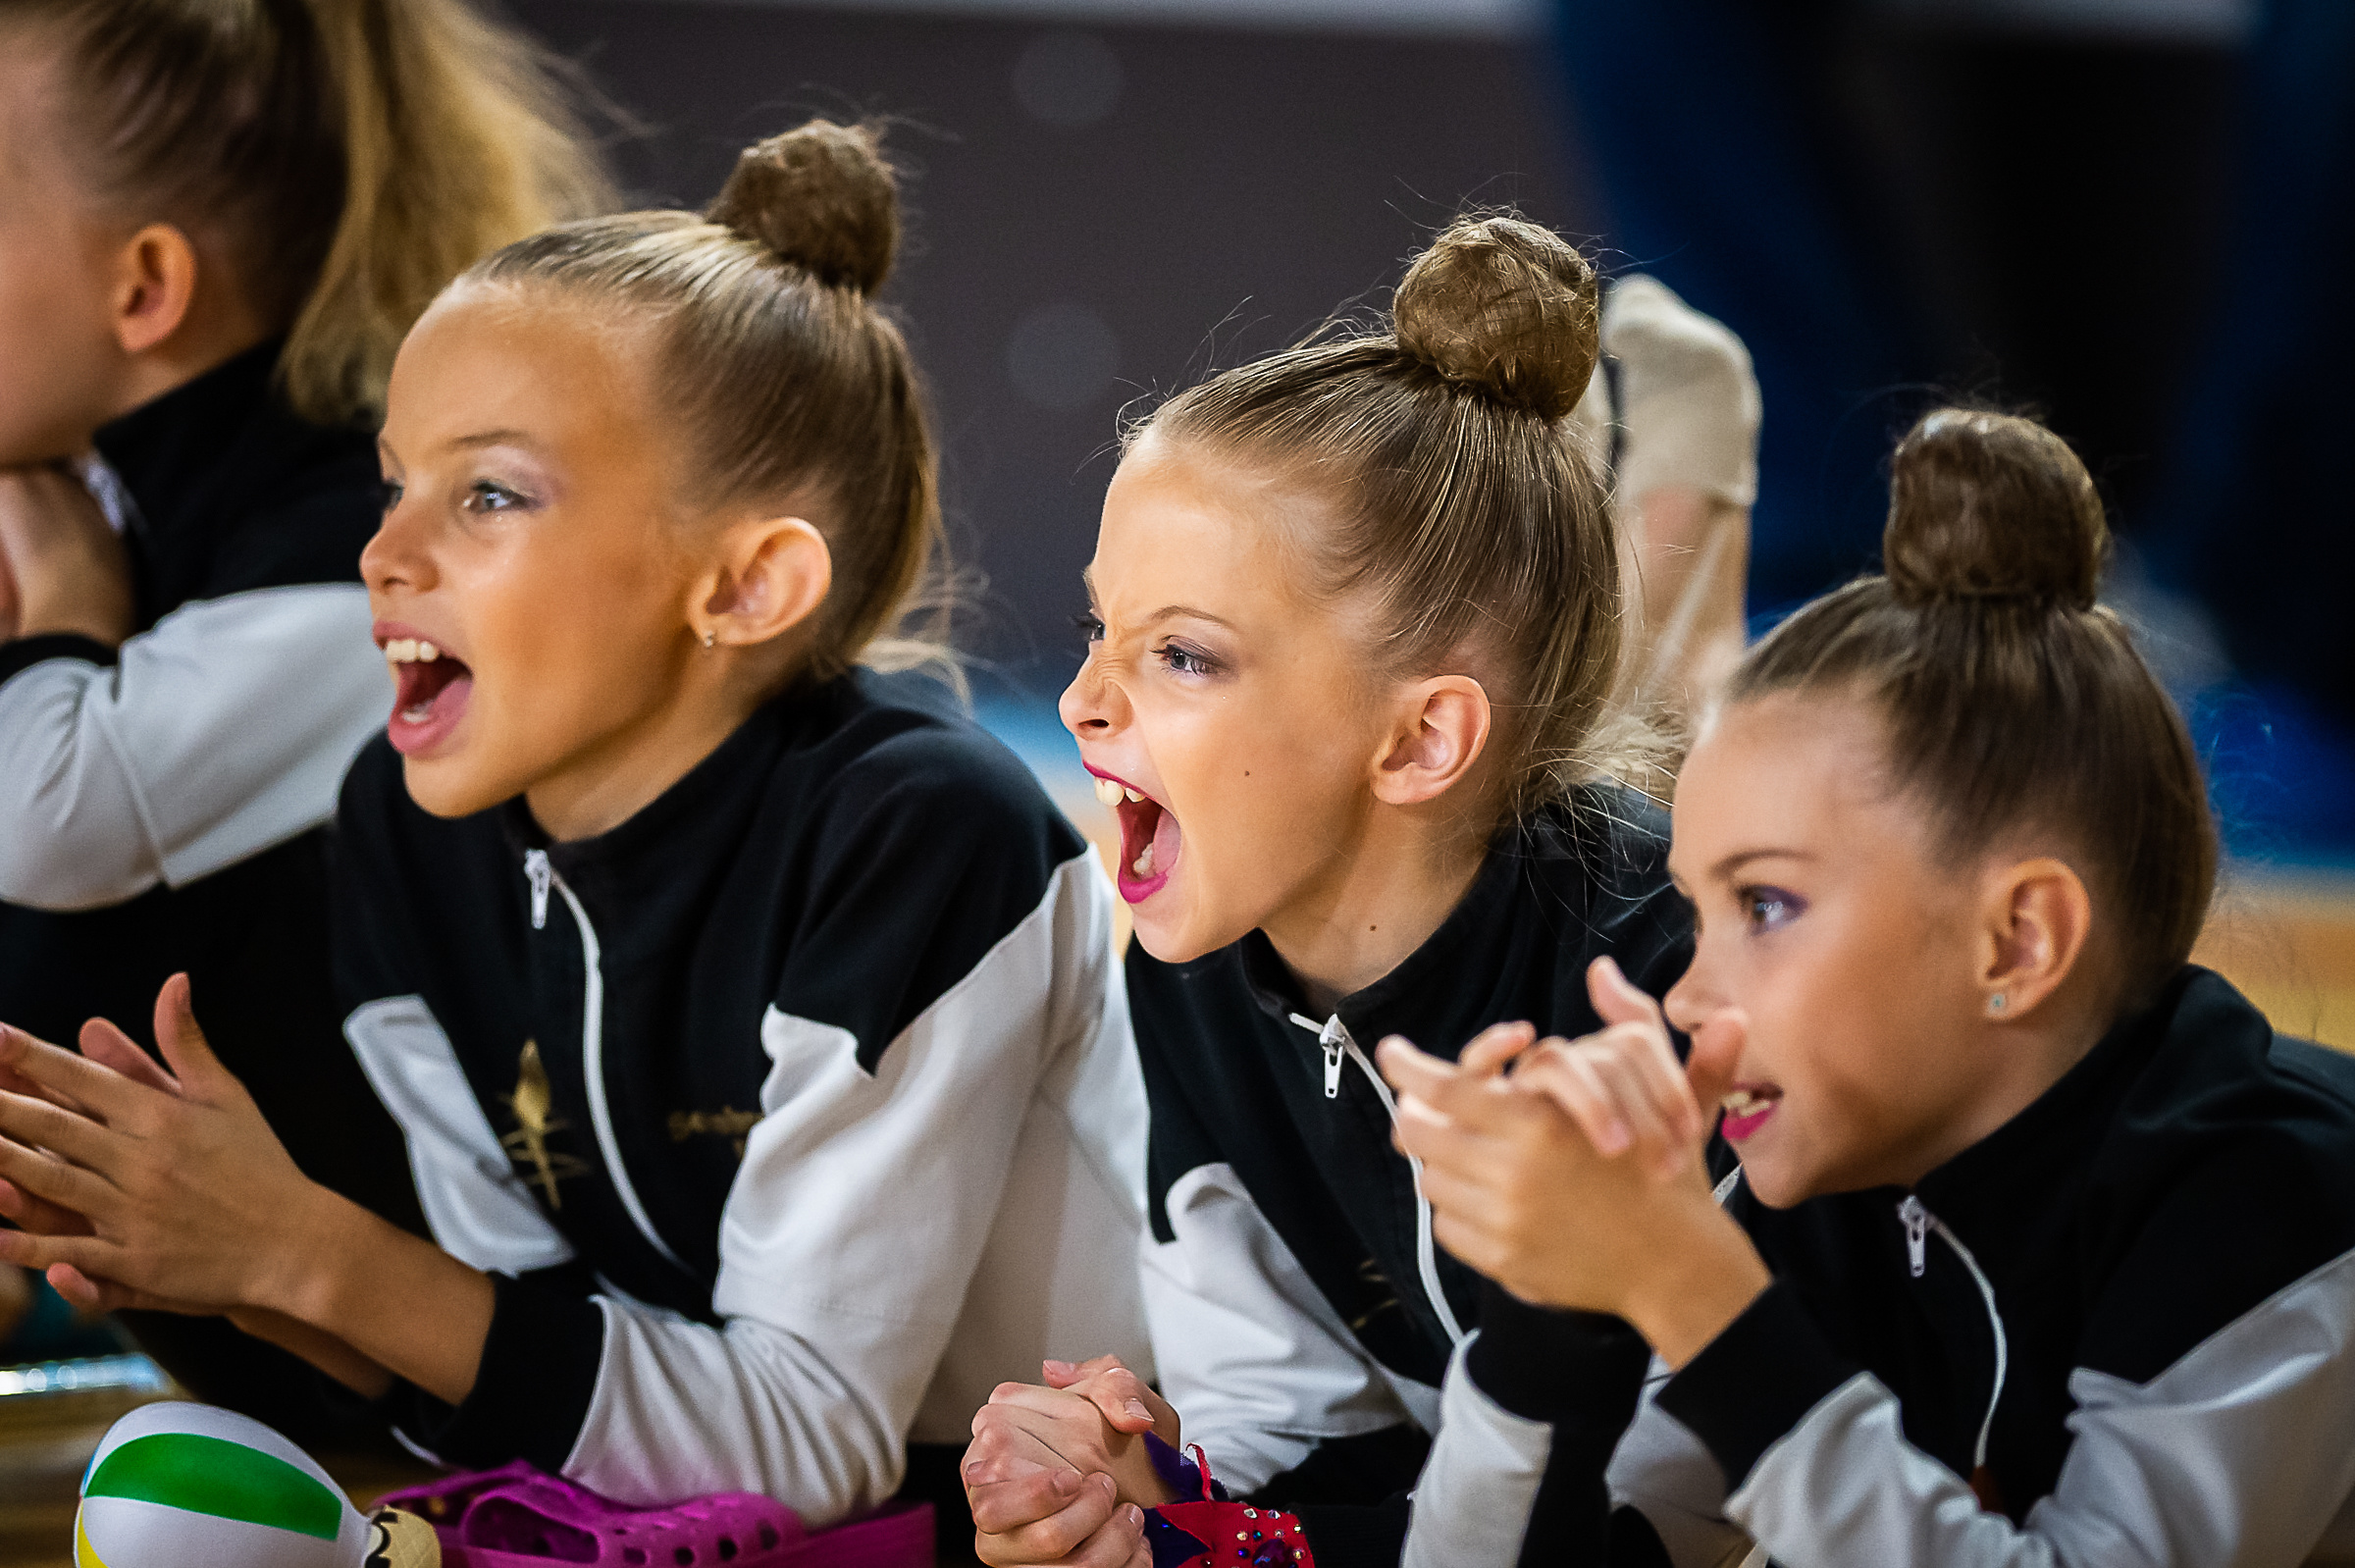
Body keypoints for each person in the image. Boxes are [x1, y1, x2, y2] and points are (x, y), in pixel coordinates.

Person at [0, 120, 1151, 1523]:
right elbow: (555, 1366)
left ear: (745, 586)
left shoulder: (915, 830)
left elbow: (813, 1446)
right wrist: (229, 1261)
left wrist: (311, 1252)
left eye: (486, 492)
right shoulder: (403, 826)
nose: (383, 554)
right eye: (393, 482)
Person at [1382, 408, 2355, 1566]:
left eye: (1768, 906)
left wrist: (1695, 1289)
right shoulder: (1836, 1175)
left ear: (2018, 941)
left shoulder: (2271, 1198)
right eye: (1696, 914)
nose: (1686, 999)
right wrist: (1555, 1305)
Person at [959, 213, 1759, 1568]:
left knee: (1709, 761)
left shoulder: (1669, 1001)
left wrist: (1231, 1552)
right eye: (1102, 628)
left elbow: (1662, 1529)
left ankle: (1681, 503)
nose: (1082, 702)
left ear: (1416, 739)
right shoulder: (1189, 959)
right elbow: (1300, 1421)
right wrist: (1161, 1476)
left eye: (1183, 656)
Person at [0, 0, 606, 1427]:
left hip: (480, 1376)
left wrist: (75, 608)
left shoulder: (368, 542)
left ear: (146, 286)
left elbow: (53, 819)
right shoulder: (119, 511)